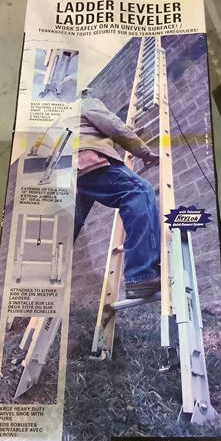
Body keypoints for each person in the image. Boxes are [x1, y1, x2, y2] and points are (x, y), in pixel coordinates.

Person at [74, 88, 161, 299]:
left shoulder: (65, 118)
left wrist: (126, 134)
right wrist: (143, 151)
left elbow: (95, 135)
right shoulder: (86, 102)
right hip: (85, 161)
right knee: (139, 192)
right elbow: (113, 125)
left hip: (66, 173)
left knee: (66, 235)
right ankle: (141, 275)